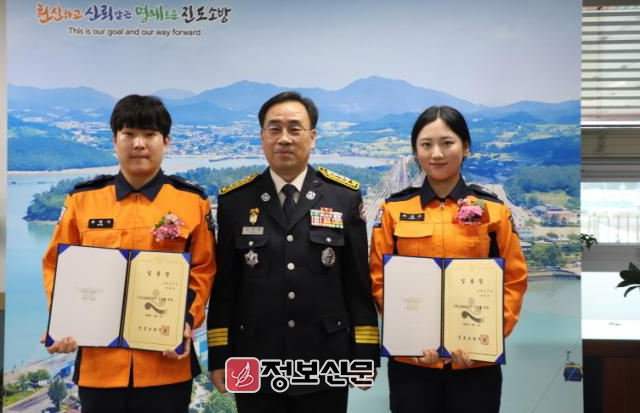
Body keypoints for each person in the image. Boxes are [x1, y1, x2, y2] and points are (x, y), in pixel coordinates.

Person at [40, 94, 216, 413]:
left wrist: (186, 319)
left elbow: (203, 270)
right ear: (115, 140)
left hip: (167, 360)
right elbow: (56, 266)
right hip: (100, 366)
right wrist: (64, 319)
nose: (139, 144)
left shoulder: (193, 202)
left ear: (166, 142)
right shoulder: (82, 201)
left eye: (149, 134)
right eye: (129, 134)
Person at [207, 91, 380, 413]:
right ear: (262, 137)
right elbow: (225, 289)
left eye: (295, 129)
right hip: (253, 357)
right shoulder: (235, 201)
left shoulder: (343, 197)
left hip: (326, 357)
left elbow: (357, 284)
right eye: (274, 129)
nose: (284, 138)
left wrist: (365, 354)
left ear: (312, 137)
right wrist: (219, 356)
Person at [370, 105, 528, 413]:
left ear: (465, 147)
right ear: (415, 151)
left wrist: (488, 338)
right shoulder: (393, 210)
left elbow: (514, 279)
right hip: (412, 362)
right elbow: (379, 280)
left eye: (447, 143)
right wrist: (407, 337)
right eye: (426, 144)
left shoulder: (493, 211)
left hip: (475, 363)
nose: (436, 154)